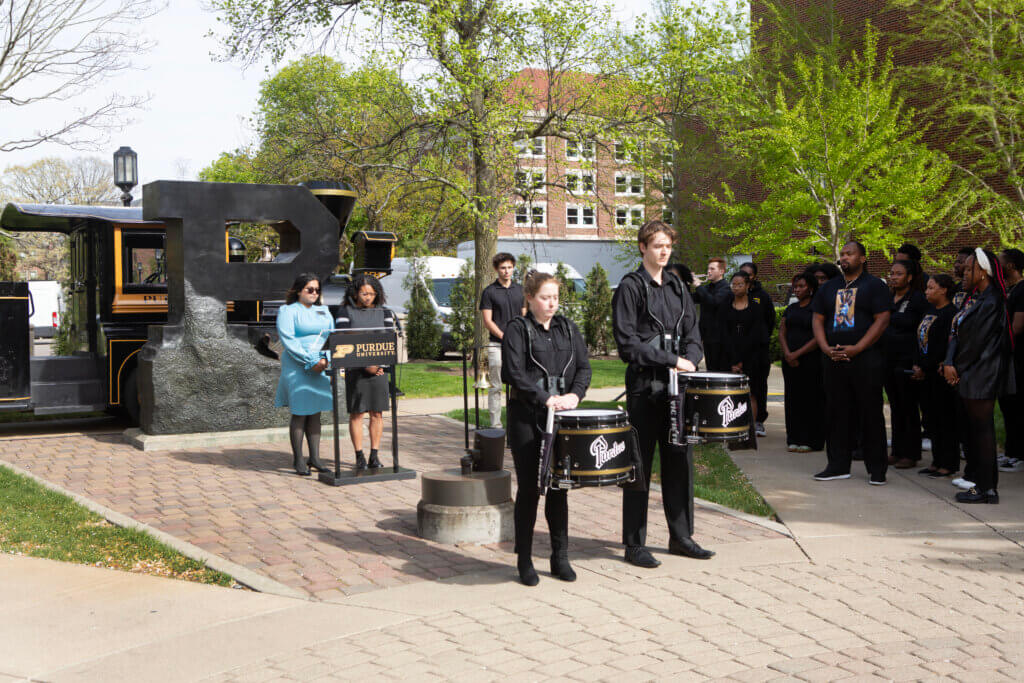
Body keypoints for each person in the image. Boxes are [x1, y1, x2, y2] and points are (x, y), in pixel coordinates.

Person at [612, 220, 710, 568]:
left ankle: (681, 536)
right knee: (638, 467)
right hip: (644, 388)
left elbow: (694, 332)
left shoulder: (678, 287)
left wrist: (692, 359)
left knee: (679, 463)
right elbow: (627, 344)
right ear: (643, 247)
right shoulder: (631, 287)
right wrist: (672, 360)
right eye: (657, 245)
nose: (663, 251)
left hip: (677, 390)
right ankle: (634, 544)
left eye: (667, 245)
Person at [501, 270, 591, 586]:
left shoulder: (567, 328)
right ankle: (524, 560)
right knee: (530, 489)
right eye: (544, 297)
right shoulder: (517, 329)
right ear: (529, 297)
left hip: (561, 417)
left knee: (558, 487)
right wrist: (545, 398)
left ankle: (559, 557)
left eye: (554, 297)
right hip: (527, 416)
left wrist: (574, 395)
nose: (551, 304)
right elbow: (514, 373)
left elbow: (583, 367)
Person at [811, 241, 891, 484]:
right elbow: (817, 318)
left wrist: (858, 347)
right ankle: (837, 465)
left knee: (870, 413)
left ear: (863, 258)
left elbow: (882, 319)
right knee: (836, 413)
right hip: (833, 358)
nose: (844, 257)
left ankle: (876, 470)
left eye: (850, 254)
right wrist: (824, 347)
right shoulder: (829, 287)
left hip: (865, 359)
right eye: (842, 254)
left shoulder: (874, 285)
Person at [942, 248, 1015, 503]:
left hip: (982, 373)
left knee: (983, 432)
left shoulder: (992, 300)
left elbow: (975, 343)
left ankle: (987, 489)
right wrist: (949, 360)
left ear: (983, 272)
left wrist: (954, 367)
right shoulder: (977, 298)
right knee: (976, 431)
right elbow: (957, 332)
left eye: (970, 268)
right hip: (972, 371)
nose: (964, 271)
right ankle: (982, 485)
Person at [336, 273, 398, 470]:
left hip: (379, 371)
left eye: (371, 293)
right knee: (357, 413)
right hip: (355, 369)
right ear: (355, 293)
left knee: (377, 413)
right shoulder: (345, 312)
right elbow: (344, 339)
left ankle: (374, 455)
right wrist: (365, 364)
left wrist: (378, 366)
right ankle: (359, 456)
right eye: (364, 293)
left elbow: (389, 341)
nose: (368, 297)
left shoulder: (386, 313)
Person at [275, 273, 333, 476]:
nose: (314, 293)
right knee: (300, 412)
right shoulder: (287, 311)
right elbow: (288, 340)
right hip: (297, 366)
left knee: (315, 412)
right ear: (299, 290)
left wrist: (325, 360)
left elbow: (331, 338)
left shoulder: (324, 311)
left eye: (317, 290)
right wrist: (311, 361)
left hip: (320, 366)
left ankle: (315, 458)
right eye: (310, 289)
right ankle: (298, 458)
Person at [884, 259, 928, 469]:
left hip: (907, 358)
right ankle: (897, 451)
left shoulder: (917, 299)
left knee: (908, 406)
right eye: (892, 273)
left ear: (909, 277)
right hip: (888, 358)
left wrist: (919, 362)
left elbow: (921, 330)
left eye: (898, 274)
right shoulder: (888, 298)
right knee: (895, 406)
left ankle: (911, 453)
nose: (893, 277)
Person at [913, 274, 958, 477]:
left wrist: (927, 365)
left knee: (945, 419)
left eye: (931, 288)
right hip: (925, 372)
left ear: (944, 290)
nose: (927, 291)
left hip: (940, 372)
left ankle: (948, 463)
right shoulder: (930, 311)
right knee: (931, 419)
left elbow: (944, 345)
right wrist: (917, 364)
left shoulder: (951, 314)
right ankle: (936, 461)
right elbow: (921, 339)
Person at [779, 272, 825, 452]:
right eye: (795, 287)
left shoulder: (816, 309)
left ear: (811, 288)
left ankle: (811, 440)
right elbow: (782, 331)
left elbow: (817, 337)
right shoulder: (792, 308)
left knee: (811, 399)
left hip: (810, 360)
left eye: (801, 286)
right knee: (793, 399)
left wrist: (798, 353)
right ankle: (794, 437)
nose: (797, 290)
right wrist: (788, 353)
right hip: (789, 361)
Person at [480, 253, 525, 428]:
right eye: (503, 268)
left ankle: (517, 426)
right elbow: (487, 321)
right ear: (496, 270)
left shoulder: (520, 290)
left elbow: (524, 316)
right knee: (496, 387)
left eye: (509, 267)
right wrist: (504, 337)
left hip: (518, 347)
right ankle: (495, 426)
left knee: (520, 386)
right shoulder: (489, 292)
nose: (506, 271)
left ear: (513, 268)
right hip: (496, 346)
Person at [721, 271, 765, 428]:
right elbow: (724, 333)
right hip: (729, 355)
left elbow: (756, 335)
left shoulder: (756, 307)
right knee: (730, 392)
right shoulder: (725, 306)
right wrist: (733, 360)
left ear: (748, 285)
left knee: (751, 393)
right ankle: (732, 427)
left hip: (751, 356)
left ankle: (750, 428)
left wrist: (742, 361)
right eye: (733, 284)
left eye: (740, 284)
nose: (736, 287)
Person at [739, 262, 775, 436]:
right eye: (742, 273)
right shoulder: (735, 296)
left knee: (758, 386)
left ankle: (759, 420)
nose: (745, 277)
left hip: (758, 352)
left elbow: (770, 321)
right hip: (739, 351)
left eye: (749, 274)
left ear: (754, 276)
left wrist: (761, 338)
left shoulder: (762, 296)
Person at [997, 248, 1024, 473]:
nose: (997, 265)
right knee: (1006, 405)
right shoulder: (1007, 290)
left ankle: (1018, 454)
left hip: (1017, 358)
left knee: (1016, 406)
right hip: (1005, 358)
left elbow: (1016, 326)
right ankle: (1010, 451)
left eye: (1000, 262)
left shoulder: (1022, 290)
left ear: (1012, 266)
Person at [692, 257, 731, 371]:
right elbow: (689, 298)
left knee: (720, 371)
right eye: (708, 268)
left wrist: (698, 286)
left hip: (721, 339)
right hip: (707, 337)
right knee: (710, 369)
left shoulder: (726, 288)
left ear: (721, 271)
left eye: (712, 269)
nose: (708, 271)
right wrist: (684, 281)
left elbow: (713, 302)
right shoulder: (707, 288)